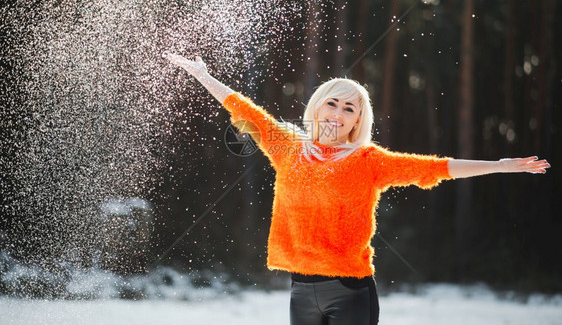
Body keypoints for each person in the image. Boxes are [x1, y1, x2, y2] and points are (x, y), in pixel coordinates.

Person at [164, 53, 550, 325]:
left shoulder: (369, 161)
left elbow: (436, 168)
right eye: (332, 103)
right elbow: (245, 110)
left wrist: (499, 167)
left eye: (349, 109)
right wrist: (202, 75)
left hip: (349, 291)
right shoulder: (287, 148)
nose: (337, 113)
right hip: (300, 290)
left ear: (356, 122)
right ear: (317, 108)